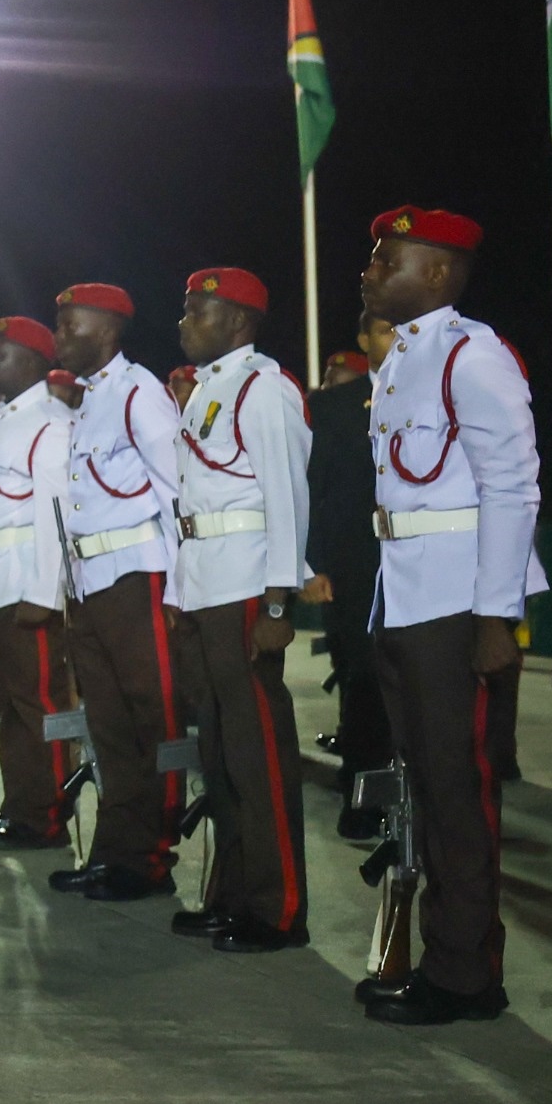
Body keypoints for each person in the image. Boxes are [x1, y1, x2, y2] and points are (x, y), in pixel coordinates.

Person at [355, 205, 539, 1025]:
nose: (368, 270)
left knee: (460, 793)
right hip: (407, 594)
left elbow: (513, 487)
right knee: (427, 788)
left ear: (435, 273)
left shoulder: (473, 354)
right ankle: (444, 956)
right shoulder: (400, 363)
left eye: (384, 258)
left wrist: (497, 615)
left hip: (459, 603)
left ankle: (466, 975)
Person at [169, 269, 312, 953]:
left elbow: (286, 496)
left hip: (247, 585)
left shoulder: (264, 388)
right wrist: (176, 593)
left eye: (199, 310)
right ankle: (231, 892)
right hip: (203, 584)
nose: (184, 321)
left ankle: (278, 906)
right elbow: (189, 502)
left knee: (258, 756)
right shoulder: (205, 392)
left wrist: (280, 599)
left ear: (239, 322)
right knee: (220, 754)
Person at [49, 282, 186, 902]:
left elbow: (176, 492)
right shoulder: (91, 400)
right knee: (107, 725)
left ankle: (151, 857)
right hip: (92, 583)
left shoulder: (139, 393)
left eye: (69, 327)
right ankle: (115, 849)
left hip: (138, 577)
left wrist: (182, 587)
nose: (59, 338)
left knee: (150, 720)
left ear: (105, 331)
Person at [0, 318, 76, 849]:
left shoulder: (49, 422)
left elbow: (55, 513)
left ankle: (41, 818)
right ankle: (19, 806)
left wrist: (45, 595)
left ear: (29, 361)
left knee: (36, 705)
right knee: (8, 705)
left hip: (21, 583)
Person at [303, 332, 391, 826]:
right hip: (354, 563)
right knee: (363, 678)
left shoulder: (434, 389)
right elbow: (314, 489)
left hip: (415, 560)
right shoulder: (333, 406)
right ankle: (361, 798)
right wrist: (313, 565)